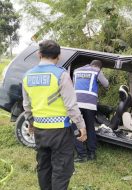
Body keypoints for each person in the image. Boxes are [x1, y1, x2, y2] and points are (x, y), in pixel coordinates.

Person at [22, 40, 87, 190]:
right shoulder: (61, 75)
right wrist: (81, 126)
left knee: (43, 167)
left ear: (39, 54)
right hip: (60, 131)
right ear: (58, 56)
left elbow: (27, 105)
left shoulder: (27, 76)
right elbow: (71, 106)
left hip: (39, 130)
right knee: (61, 170)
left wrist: (31, 122)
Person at [73, 59, 109, 162]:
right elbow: (106, 84)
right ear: (99, 67)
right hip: (89, 104)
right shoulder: (96, 71)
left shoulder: (77, 70)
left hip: (76, 104)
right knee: (90, 128)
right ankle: (91, 154)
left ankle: (81, 155)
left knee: (76, 128)